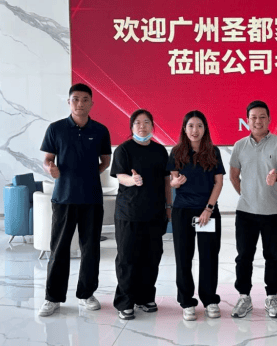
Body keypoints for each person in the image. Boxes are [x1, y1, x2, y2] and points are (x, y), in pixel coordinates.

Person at [38, 83, 111, 317]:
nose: (80, 103)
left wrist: (88, 174)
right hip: (63, 198)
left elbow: (106, 161)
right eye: (75, 99)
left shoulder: (100, 130)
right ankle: (52, 298)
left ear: (92, 103)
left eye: (85, 99)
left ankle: (87, 294)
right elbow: (47, 159)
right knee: (59, 249)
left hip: (91, 199)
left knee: (91, 249)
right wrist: (50, 168)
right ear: (69, 102)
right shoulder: (56, 129)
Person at [229, 101, 277, 319]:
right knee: (243, 256)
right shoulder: (239, 146)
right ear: (247, 121)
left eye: (262, 117)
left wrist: (276, 177)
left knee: (273, 256)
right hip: (245, 212)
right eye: (253, 117)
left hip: (273, 212)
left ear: (269, 119)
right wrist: (247, 195)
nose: (258, 121)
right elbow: (234, 176)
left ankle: (272, 297)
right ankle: (244, 296)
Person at [110, 109, 171, 320]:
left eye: (146, 122)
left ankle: (145, 297)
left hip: (154, 213)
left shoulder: (160, 151)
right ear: (131, 127)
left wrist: (169, 206)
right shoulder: (123, 150)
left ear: (153, 126)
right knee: (127, 258)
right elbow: (121, 176)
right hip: (129, 213)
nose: (142, 126)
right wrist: (132, 180)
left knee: (151, 257)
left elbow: (166, 181)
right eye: (137, 122)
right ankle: (125, 301)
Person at [167, 110, 225, 321]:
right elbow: (173, 181)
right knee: (183, 257)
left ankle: (209, 300)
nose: (195, 130)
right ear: (184, 129)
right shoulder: (176, 152)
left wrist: (208, 209)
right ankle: (186, 301)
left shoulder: (213, 151)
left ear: (205, 129)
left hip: (207, 212)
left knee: (209, 256)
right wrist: (175, 183)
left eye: (199, 126)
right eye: (191, 126)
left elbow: (218, 182)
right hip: (183, 211)